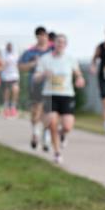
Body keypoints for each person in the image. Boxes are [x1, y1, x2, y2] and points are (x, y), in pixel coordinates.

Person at [35, 33, 85, 165]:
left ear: (66, 45)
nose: (60, 44)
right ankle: (57, 153)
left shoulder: (70, 59)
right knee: (52, 122)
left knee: (68, 126)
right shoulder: (45, 59)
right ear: (54, 44)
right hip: (50, 94)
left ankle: (61, 134)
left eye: (63, 42)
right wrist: (43, 74)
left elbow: (78, 73)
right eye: (58, 42)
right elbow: (36, 77)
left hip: (66, 95)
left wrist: (80, 78)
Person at [18, 27, 53, 150]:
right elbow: (21, 66)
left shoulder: (52, 49)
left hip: (51, 86)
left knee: (49, 113)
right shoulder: (30, 52)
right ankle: (35, 134)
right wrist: (33, 64)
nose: (42, 37)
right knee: (36, 111)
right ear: (36, 37)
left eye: (44, 35)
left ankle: (46, 139)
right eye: (40, 35)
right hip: (35, 85)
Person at [0, 42, 20, 118]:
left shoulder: (16, 54)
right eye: (8, 47)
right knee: (7, 91)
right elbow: (1, 64)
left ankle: (13, 106)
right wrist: (4, 64)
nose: (9, 48)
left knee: (15, 90)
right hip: (5, 76)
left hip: (14, 76)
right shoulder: (3, 54)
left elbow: (18, 63)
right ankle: (6, 107)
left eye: (10, 47)